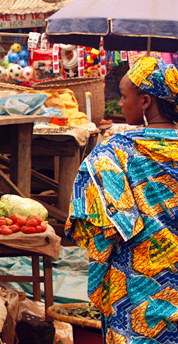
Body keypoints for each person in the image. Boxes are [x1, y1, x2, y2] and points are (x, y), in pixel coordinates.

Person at [66, 56, 178, 342]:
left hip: (136, 291)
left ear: (145, 102)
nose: (120, 104)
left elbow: (95, 225)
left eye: (125, 96)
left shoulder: (114, 153)